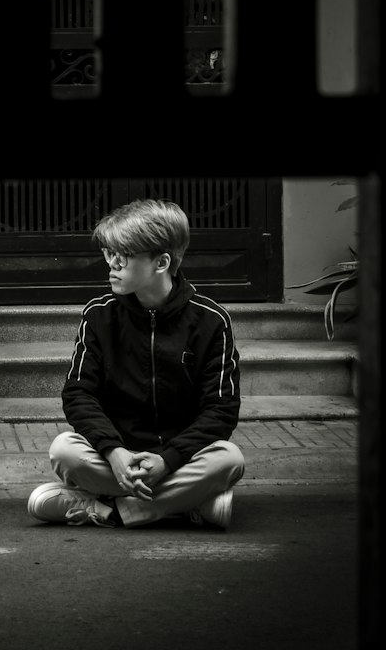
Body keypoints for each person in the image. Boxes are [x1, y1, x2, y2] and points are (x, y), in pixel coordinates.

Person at [27, 197, 245, 529]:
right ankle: (187, 504)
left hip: (178, 456)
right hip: (116, 454)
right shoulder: (99, 315)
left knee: (229, 459)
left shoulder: (211, 321)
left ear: (161, 263)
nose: (111, 264)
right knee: (64, 451)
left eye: (123, 255)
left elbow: (221, 409)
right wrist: (114, 452)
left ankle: (106, 510)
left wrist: (168, 460)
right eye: (108, 253)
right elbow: (78, 394)